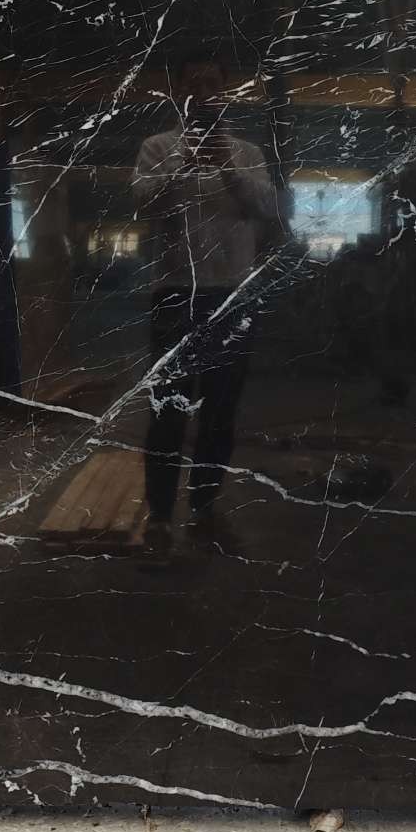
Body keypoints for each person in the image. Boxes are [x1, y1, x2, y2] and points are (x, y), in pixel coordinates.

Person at [132, 48, 277, 555]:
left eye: (212, 83)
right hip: (175, 294)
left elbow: (267, 207)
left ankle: (204, 507)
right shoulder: (157, 147)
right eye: (192, 83)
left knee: (221, 407)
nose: (202, 91)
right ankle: (159, 515)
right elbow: (143, 204)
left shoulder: (247, 152)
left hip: (232, 296)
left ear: (224, 92)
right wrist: (183, 165)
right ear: (179, 93)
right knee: (168, 407)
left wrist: (227, 168)